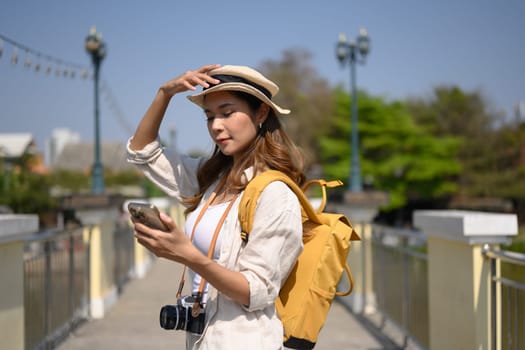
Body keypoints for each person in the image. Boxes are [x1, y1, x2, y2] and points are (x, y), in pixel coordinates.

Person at [126, 64, 305, 349]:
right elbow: (142, 152)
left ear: (261, 113)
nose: (216, 126)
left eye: (227, 112)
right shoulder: (212, 180)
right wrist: (165, 93)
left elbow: (256, 290)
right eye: (209, 117)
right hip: (202, 338)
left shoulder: (275, 194)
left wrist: (187, 255)